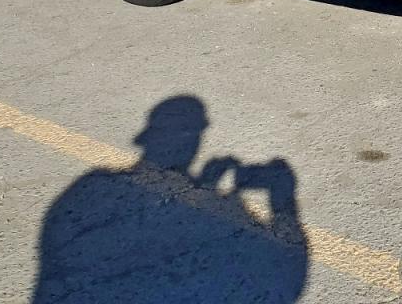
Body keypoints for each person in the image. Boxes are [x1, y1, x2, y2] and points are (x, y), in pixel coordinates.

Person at [31, 96, 307, 304]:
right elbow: (287, 279)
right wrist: (283, 197)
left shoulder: (90, 189)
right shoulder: (194, 221)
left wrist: (207, 189)